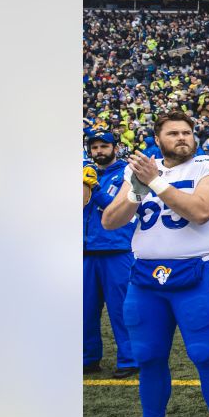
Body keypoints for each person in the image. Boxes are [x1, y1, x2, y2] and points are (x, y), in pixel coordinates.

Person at [99, 111, 209, 417]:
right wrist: (136, 189)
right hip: (146, 276)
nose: (182, 138)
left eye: (187, 132)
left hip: (193, 272)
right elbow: (110, 221)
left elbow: (201, 211)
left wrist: (157, 183)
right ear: (158, 139)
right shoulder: (141, 171)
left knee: (204, 354)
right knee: (147, 356)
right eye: (173, 133)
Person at [83, 130, 138, 378]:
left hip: (117, 250)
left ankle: (129, 359)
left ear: (115, 147)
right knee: (84, 310)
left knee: (121, 309)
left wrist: (94, 188)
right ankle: (87, 358)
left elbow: (116, 209)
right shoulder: (84, 175)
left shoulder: (127, 174)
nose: (99, 152)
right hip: (85, 251)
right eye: (94, 148)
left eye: (104, 146)